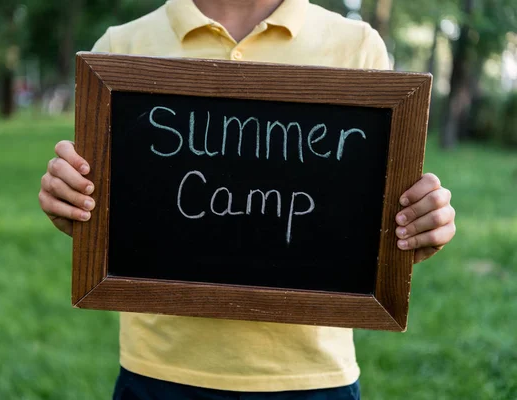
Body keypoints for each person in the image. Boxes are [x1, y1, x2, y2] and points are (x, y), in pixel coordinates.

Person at [38, 0, 457, 399]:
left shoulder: (357, 47)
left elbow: (375, 213)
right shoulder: (121, 47)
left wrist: (415, 230)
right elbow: (102, 202)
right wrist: (73, 202)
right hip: (159, 369)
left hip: (311, 376)